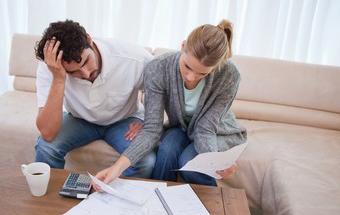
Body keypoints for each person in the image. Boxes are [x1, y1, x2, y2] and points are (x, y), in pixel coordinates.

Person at [94, 19, 247, 188]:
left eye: (201, 74)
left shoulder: (230, 75)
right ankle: (158, 200)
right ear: (182, 46)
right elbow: (152, 129)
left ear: (216, 66)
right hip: (180, 127)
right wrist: (117, 168)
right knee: (166, 150)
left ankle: (211, 208)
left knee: (191, 166)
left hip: (215, 131)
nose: (190, 77)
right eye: (187, 66)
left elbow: (206, 128)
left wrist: (214, 162)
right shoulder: (158, 68)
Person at [34, 19, 155, 178]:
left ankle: (121, 201)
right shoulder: (50, 66)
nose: (85, 74)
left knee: (145, 160)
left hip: (124, 119)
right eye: (73, 72)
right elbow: (48, 133)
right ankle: (51, 201)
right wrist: (58, 79)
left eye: (85, 61)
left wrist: (148, 121)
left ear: (89, 39)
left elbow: (163, 91)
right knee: (46, 148)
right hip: (79, 120)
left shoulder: (134, 58)